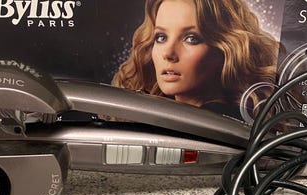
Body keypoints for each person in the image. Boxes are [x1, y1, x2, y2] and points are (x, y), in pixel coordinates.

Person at [112, 0, 280, 120]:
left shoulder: (220, 124)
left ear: (225, 49)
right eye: (161, 37)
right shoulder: (161, 114)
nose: (168, 53)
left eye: (191, 39)